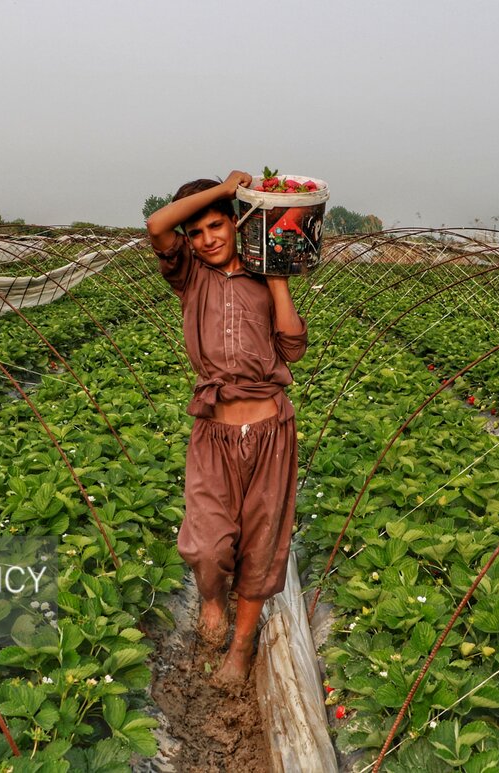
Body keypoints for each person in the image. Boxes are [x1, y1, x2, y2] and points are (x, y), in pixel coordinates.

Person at [145, 170, 307, 686]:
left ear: (237, 225)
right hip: (213, 434)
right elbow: (155, 225)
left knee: (262, 544)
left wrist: (277, 278)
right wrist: (224, 189)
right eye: (196, 233)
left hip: (269, 433)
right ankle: (211, 596)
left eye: (217, 225)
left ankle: (240, 651)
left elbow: (294, 348)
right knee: (210, 544)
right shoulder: (188, 275)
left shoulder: (264, 275)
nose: (208, 239)